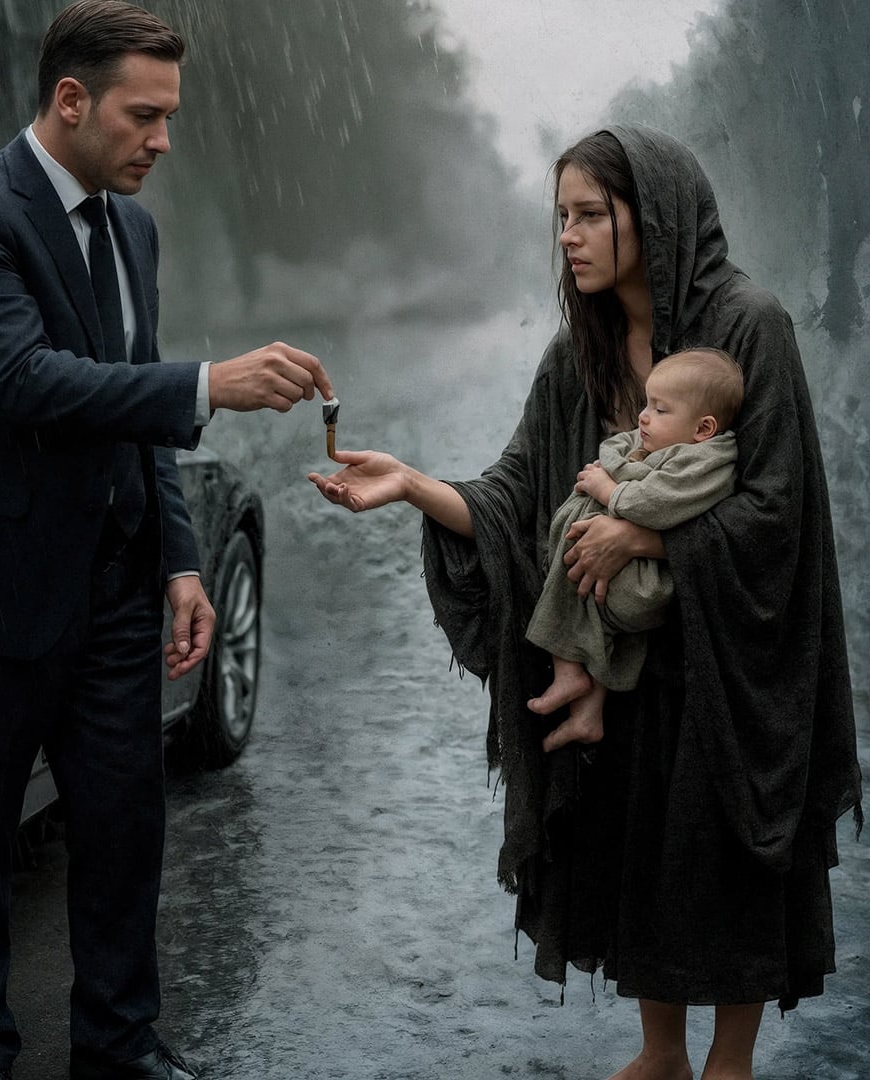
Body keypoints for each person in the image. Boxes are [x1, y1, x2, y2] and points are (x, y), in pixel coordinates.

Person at [310, 125, 862, 1080]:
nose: (569, 236)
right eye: (560, 217)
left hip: (729, 661)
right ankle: (661, 1055)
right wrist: (409, 483)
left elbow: (779, 510)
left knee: (725, 858)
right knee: (642, 850)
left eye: (591, 215)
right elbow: (514, 495)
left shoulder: (748, 326)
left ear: (652, 216)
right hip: (631, 667)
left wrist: (643, 535)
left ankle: (728, 1064)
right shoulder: (583, 352)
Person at [0, 3, 334, 1079]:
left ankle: (119, 1050)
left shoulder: (132, 228)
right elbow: (29, 383)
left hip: (120, 594)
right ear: (71, 99)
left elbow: (130, 415)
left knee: (126, 835)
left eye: (170, 118)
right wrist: (206, 383)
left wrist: (181, 560)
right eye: (145, 115)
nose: (163, 141)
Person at [527, 347, 742, 754]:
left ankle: (567, 667)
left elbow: (656, 503)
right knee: (586, 539)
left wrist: (607, 488)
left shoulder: (709, 462)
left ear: (703, 428)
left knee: (579, 533)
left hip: (644, 587)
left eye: (660, 410)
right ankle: (589, 715)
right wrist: (614, 468)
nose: (644, 416)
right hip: (630, 579)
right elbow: (621, 446)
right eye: (646, 403)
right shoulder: (673, 446)